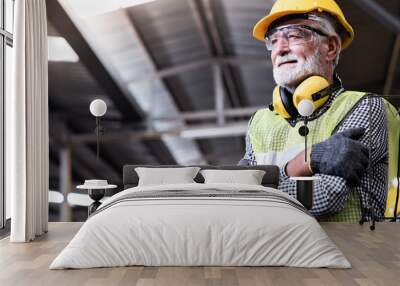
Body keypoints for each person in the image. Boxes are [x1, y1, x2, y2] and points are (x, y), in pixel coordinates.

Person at [239, 0, 389, 222]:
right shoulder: (260, 122)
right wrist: (300, 164)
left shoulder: (363, 106)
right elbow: (236, 196)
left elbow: (324, 199)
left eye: (295, 35)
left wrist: (257, 190)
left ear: (330, 47)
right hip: (277, 255)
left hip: (345, 255)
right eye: (273, 39)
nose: (280, 49)